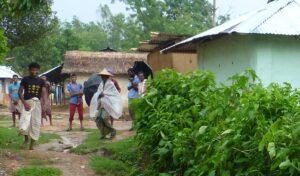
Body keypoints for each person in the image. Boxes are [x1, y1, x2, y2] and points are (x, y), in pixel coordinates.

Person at [18, 62, 46, 150]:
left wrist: (43, 106)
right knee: (25, 122)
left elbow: (42, 94)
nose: (35, 71)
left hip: (37, 103)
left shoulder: (41, 81)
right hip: (27, 102)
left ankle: (32, 144)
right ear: (29, 70)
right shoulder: (25, 79)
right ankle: (26, 140)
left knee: (36, 123)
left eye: (36, 70)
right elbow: (20, 92)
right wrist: (24, 103)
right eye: (33, 70)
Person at [95, 69, 117, 139]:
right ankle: (103, 133)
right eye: (102, 76)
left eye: (104, 76)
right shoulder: (101, 84)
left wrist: (104, 94)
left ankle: (112, 131)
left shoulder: (111, 84)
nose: (102, 77)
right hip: (101, 104)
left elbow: (113, 94)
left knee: (104, 118)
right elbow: (98, 93)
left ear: (107, 77)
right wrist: (99, 95)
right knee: (98, 120)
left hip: (107, 105)